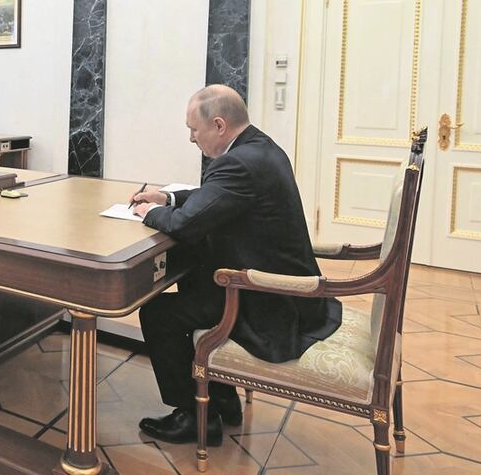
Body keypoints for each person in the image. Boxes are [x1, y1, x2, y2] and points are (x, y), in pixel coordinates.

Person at [130, 84, 342, 445]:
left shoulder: (237, 163)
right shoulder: (260, 147)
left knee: (158, 313)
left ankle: (194, 417)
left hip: (270, 302)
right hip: (288, 292)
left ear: (218, 125)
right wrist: (167, 197)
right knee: (194, 279)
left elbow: (185, 225)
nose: (191, 138)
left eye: (194, 130)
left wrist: (149, 212)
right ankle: (222, 400)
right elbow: (215, 197)